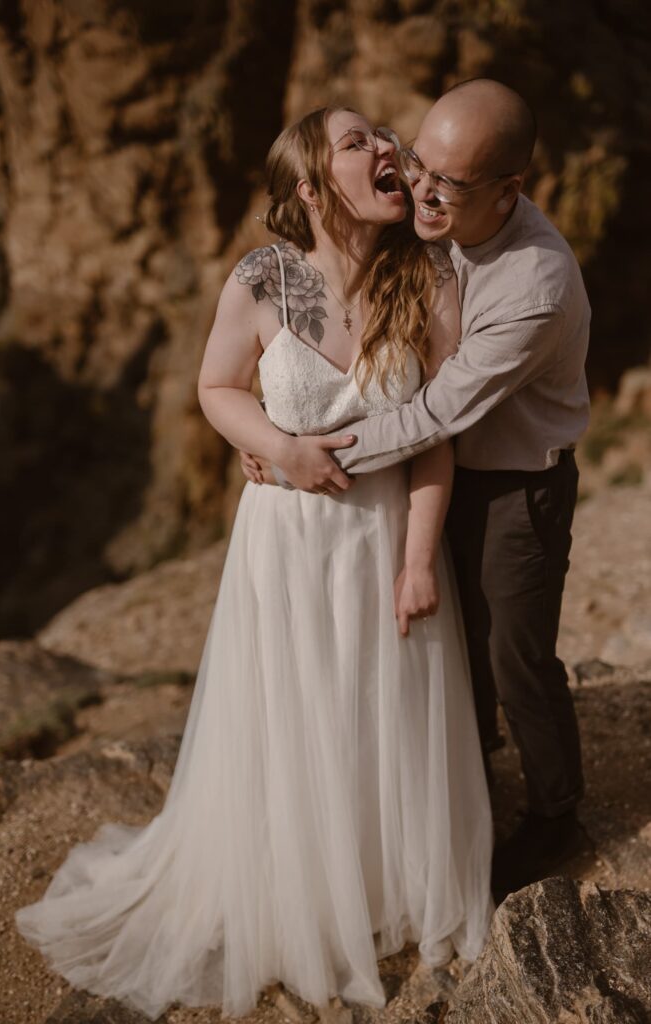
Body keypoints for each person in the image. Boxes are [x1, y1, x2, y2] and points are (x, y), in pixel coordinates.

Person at [15, 107, 493, 1020]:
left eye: (381, 136)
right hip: (285, 543)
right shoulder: (260, 280)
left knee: (378, 713)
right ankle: (299, 896)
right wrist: (281, 446)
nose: (386, 150)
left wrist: (419, 563)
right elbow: (215, 387)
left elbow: (437, 443)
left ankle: (381, 884)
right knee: (299, 713)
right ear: (313, 189)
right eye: (358, 144)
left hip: (385, 537)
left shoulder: (430, 279)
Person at [243, 80, 591, 901]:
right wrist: (271, 436)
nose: (424, 189)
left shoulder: (534, 287)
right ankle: (460, 784)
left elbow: (434, 411)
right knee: (444, 652)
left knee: (514, 654)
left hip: (512, 480)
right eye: (418, 160)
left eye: (451, 183)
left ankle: (556, 811)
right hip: (422, 472)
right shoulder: (424, 226)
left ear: (509, 190)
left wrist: (305, 456)